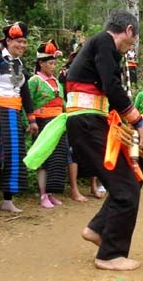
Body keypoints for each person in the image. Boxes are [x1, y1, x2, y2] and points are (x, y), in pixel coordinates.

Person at [65, 10, 143, 271]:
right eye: (132, 42)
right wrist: (137, 121)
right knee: (127, 187)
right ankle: (110, 255)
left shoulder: (97, 45)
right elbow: (112, 87)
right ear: (129, 31)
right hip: (88, 123)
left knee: (130, 180)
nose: (129, 48)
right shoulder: (104, 42)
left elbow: (107, 90)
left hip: (92, 122)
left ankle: (97, 229)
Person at [0, 22, 39, 213]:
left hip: (14, 114)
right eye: (19, 41)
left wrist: (32, 119)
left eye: (25, 42)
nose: (22, 45)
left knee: (14, 156)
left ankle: (8, 200)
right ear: (8, 40)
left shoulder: (20, 64)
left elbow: (25, 94)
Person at [58, 50, 106, 202]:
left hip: (92, 114)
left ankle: (93, 186)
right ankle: (74, 189)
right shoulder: (67, 72)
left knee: (93, 151)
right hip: (74, 114)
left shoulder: (93, 72)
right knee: (73, 154)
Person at [28, 40, 66, 208]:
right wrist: (30, 122)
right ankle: (43, 194)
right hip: (42, 122)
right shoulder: (34, 81)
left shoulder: (56, 81)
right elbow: (27, 103)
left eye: (54, 63)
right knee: (44, 158)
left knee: (55, 158)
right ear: (40, 63)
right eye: (50, 63)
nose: (53, 66)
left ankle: (50, 193)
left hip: (58, 122)